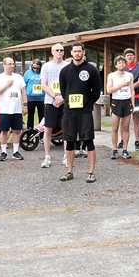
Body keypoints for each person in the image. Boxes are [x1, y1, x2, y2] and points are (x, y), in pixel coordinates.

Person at [58, 42, 102, 183]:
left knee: (88, 140)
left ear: (84, 52)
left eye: (79, 51)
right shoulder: (65, 71)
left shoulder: (91, 69)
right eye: (75, 51)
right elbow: (64, 91)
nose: (77, 54)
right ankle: (70, 171)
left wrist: (88, 103)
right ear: (71, 53)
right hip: (69, 111)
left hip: (85, 111)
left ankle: (91, 171)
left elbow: (96, 90)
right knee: (69, 141)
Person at [0, 57, 27, 161]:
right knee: (4, 131)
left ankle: (16, 151)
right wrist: (6, 85)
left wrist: (25, 105)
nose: (12, 66)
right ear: (4, 65)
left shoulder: (18, 77)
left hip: (16, 109)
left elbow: (23, 91)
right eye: (10, 64)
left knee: (16, 130)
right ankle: (3, 151)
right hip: (5, 109)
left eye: (13, 64)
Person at [40, 44, 69, 168]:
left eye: (61, 50)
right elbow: (44, 85)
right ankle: (47, 157)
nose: (59, 52)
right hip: (50, 101)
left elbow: (70, 84)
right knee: (48, 129)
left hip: (64, 101)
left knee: (67, 129)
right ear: (52, 52)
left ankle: (67, 156)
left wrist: (62, 98)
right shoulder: (46, 66)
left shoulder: (67, 66)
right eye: (57, 50)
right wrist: (54, 97)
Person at [118, 48, 139, 152]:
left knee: (136, 119)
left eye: (131, 55)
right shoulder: (123, 68)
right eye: (127, 55)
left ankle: (137, 140)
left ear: (134, 56)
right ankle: (122, 140)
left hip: (136, 96)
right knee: (123, 120)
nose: (129, 57)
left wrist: (129, 88)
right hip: (124, 97)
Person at [107, 55, 135, 160]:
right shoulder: (111, 76)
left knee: (126, 126)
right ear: (116, 65)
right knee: (115, 127)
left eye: (123, 62)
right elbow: (109, 90)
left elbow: (132, 90)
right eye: (119, 63)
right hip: (116, 102)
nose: (121, 64)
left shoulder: (130, 75)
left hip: (127, 101)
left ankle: (125, 149)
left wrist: (133, 104)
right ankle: (114, 150)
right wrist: (122, 85)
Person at [23, 59, 44, 130]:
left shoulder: (43, 73)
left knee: (42, 116)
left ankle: (41, 135)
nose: (35, 70)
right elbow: (24, 84)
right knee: (30, 117)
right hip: (30, 97)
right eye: (34, 68)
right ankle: (30, 133)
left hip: (41, 98)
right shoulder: (28, 73)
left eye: (37, 68)